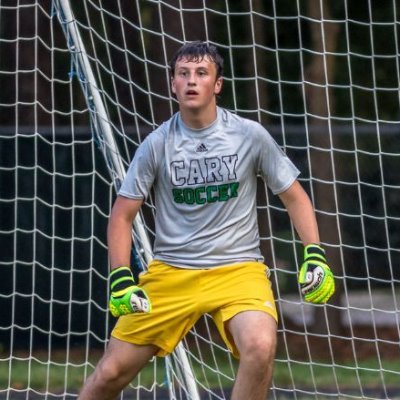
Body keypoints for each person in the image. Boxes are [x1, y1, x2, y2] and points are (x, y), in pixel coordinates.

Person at [78, 41, 335, 400]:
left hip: (238, 271)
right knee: (109, 373)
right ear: (173, 84)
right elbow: (122, 215)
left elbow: (295, 196)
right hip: (172, 273)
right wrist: (121, 277)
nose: (191, 81)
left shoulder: (249, 135)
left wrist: (315, 254)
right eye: (183, 74)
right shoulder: (156, 144)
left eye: (201, 73)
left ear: (217, 85)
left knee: (260, 346)